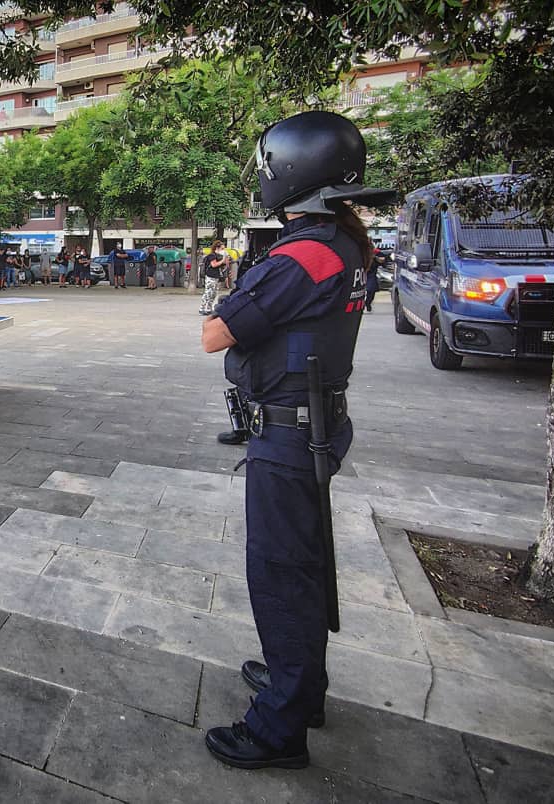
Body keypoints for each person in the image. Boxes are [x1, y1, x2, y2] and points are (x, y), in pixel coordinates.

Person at [200, 110, 394, 771]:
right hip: (318, 424)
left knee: (281, 574)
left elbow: (215, 333)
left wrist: (243, 281)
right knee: (302, 566)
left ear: (292, 174)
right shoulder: (348, 244)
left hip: (288, 434)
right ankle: (301, 683)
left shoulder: (305, 253)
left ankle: (280, 727)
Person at [198, 240, 231, 315]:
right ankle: (202, 308)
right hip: (210, 276)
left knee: (214, 293)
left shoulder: (219, 256)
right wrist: (222, 260)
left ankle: (208, 308)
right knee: (208, 292)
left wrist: (226, 259)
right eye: (222, 249)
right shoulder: (212, 255)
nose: (223, 250)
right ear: (217, 248)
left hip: (216, 277)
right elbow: (214, 265)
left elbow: (225, 266)